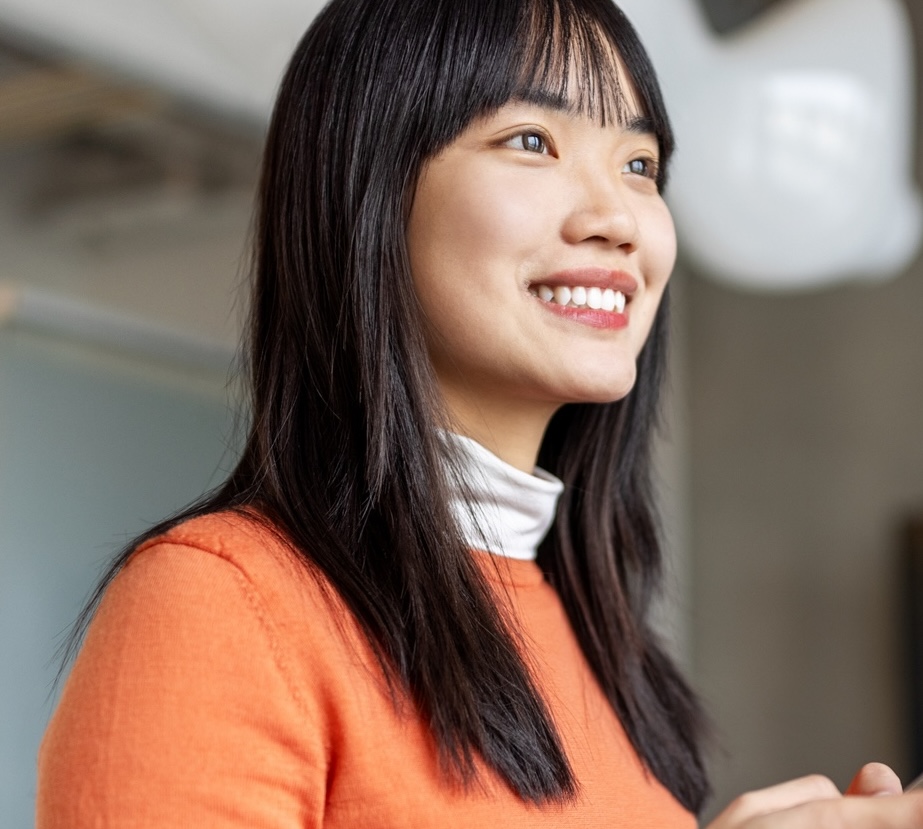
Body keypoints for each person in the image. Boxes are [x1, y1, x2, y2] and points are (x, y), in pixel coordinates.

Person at [35, 0, 923, 826]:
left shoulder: (600, 639)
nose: (618, 217)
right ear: (368, 194)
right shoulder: (216, 605)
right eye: (532, 139)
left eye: (640, 163)